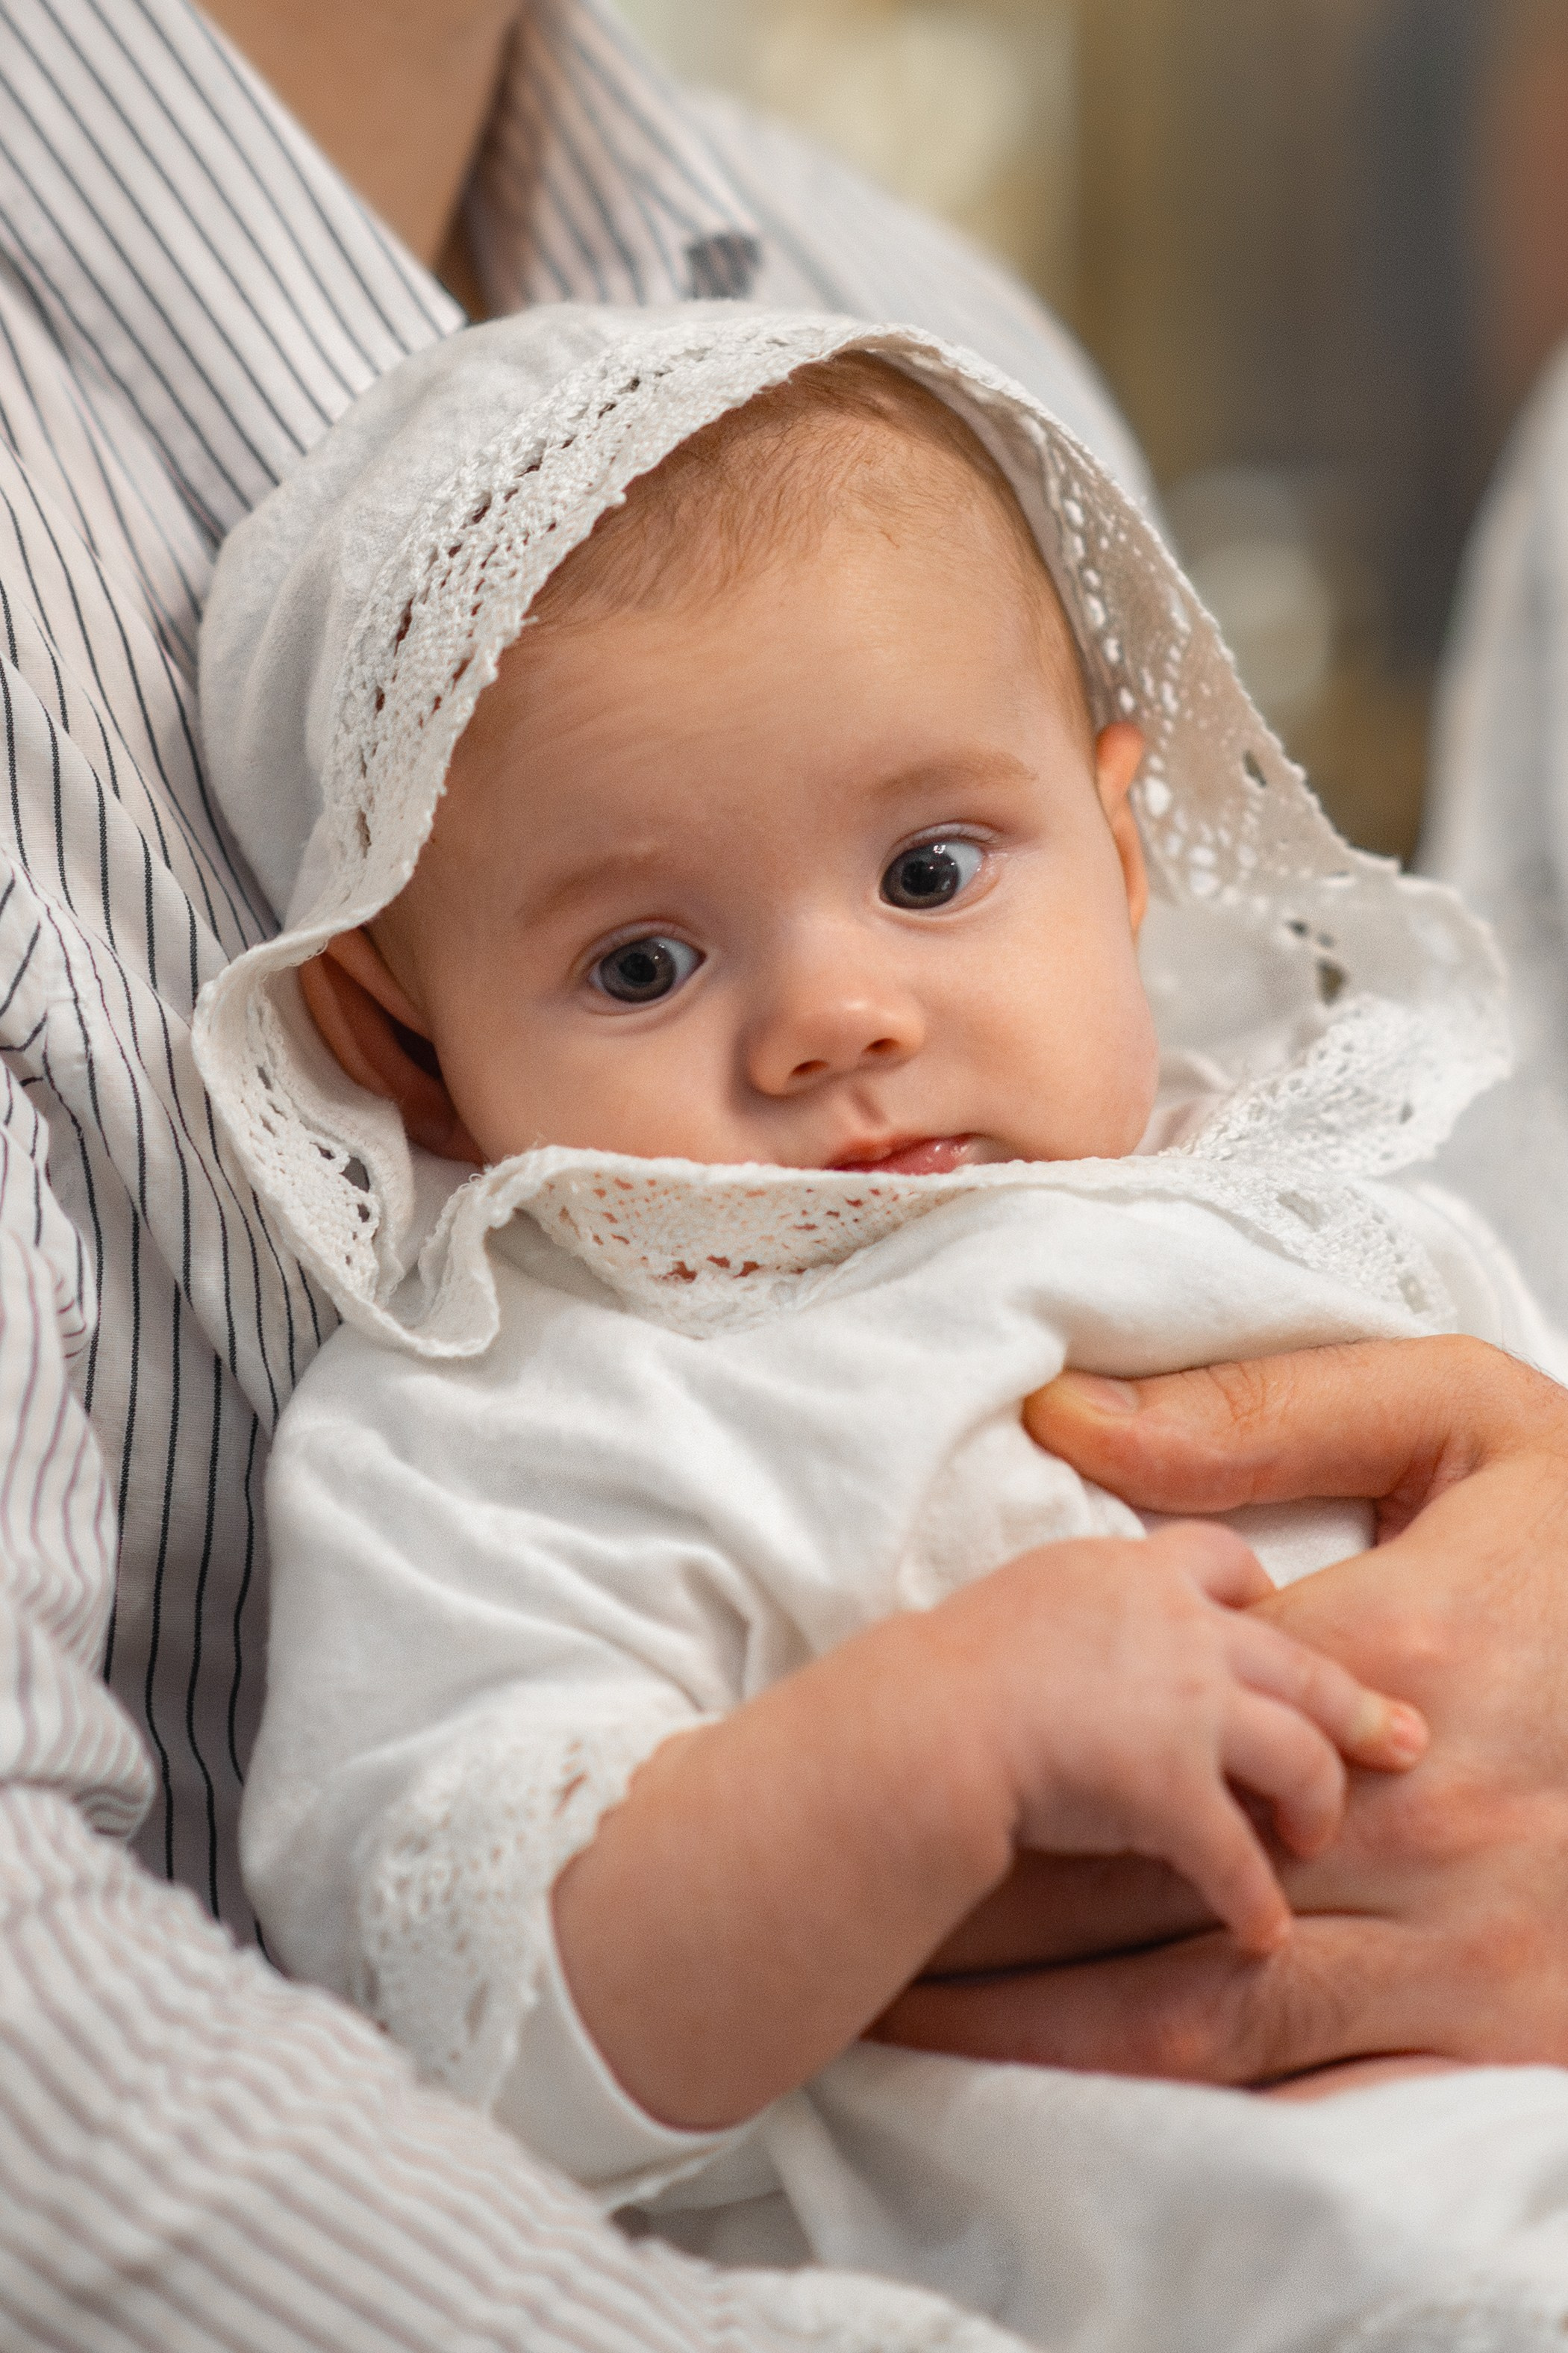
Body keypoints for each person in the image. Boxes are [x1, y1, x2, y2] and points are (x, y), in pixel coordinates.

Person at [0, 0, 1563, 2342]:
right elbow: (486, 2022)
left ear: (1129, 858)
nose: (836, 1013)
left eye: (938, 871)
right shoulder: (536, 1422)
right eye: (641, 960)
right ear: (402, 1052)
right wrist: (920, 1760)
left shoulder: (1305, 1203)